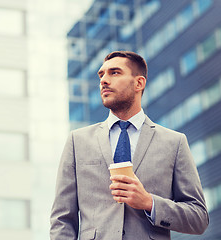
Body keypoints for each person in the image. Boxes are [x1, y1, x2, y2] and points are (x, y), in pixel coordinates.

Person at [50, 51, 209, 240]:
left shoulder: (174, 143)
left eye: (114, 73)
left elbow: (198, 217)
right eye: (101, 75)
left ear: (139, 83)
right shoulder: (78, 141)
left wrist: (150, 202)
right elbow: (62, 219)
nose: (104, 81)